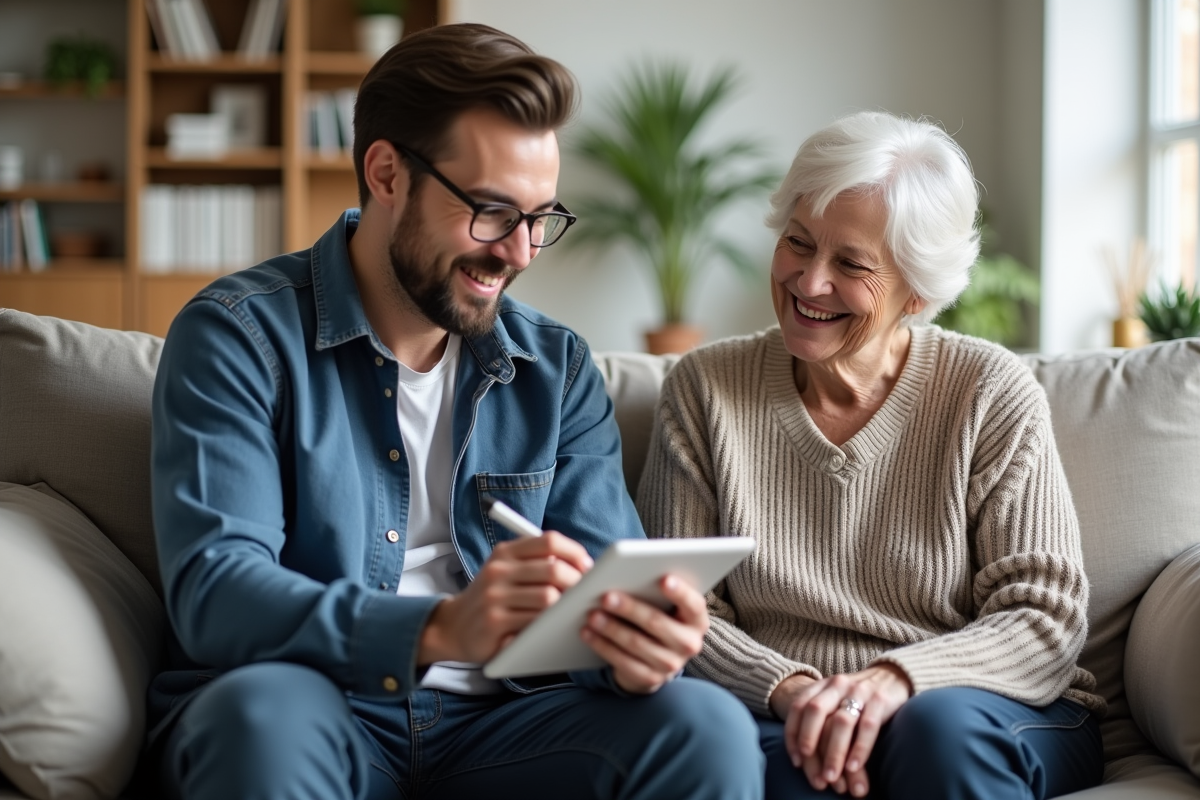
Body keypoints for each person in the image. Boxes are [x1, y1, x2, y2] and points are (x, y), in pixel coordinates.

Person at [147, 23, 762, 800]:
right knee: (260, 717)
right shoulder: (238, 335)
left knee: (703, 726)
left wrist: (636, 644)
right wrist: (437, 629)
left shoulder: (557, 368)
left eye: (541, 219)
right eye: (493, 212)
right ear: (385, 173)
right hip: (313, 700)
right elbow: (216, 591)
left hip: (513, 721)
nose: (520, 253)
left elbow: (607, 587)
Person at [637, 110, 1106, 800]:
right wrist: (793, 690)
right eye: (798, 242)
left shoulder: (987, 389)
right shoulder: (706, 389)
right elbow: (676, 608)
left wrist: (893, 682)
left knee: (939, 734)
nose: (809, 281)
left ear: (917, 292)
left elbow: (1043, 616)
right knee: (779, 765)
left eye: (851, 264)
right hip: (787, 713)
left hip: (975, 705)